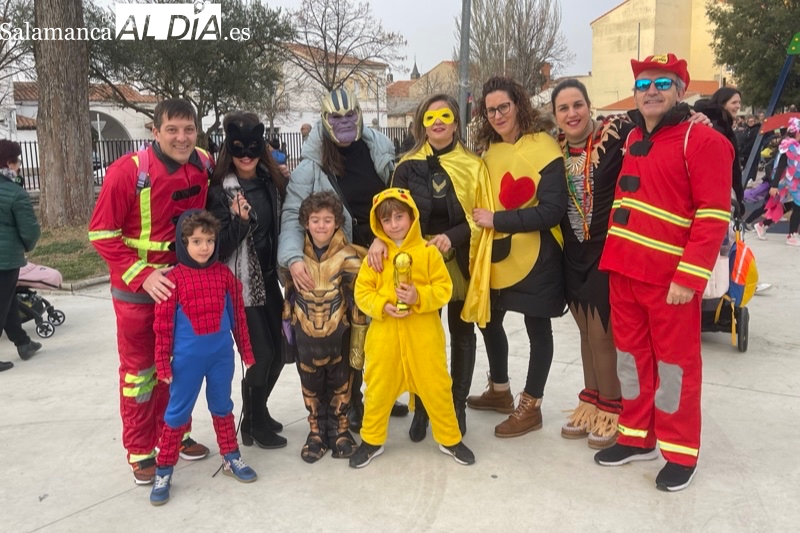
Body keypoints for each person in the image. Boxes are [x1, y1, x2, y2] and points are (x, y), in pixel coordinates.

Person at [595, 53, 733, 492]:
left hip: (670, 282)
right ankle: (637, 437)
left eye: (662, 82)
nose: (651, 90)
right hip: (623, 273)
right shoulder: (633, 134)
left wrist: (688, 278)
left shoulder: (702, 141)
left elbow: (713, 217)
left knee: (674, 367)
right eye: (643, 83)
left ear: (679, 90)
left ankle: (679, 451)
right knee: (631, 362)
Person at [89, 98, 213, 485]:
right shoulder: (128, 172)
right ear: (154, 131)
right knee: (141, 374)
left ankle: (177, 432)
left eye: (188, 129)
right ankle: (141, 450)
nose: (181, 137)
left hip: (183, 288)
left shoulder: (204, 164)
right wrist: (142, 275)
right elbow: (101, 233)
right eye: (172, 130)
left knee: (180, 368)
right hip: (137, 294)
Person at [278, 87, 406, 432]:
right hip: (345, 263)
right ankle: (352, 404)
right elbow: (292, 214)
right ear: (325, 119)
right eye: (337, 117)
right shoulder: (312, 166)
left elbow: (399, 197)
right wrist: (292, 258)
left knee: (385, 331)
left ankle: (382, 392)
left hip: (386, 254)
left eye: (350, 115)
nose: (345, 122)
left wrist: (388, 238)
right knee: (352, 334)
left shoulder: (380, 149)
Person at [386, 93, 492, 439]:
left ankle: (456, 404)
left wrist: (452, 236)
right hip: (416, 262)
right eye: (430, 118)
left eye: (444, 116)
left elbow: (480, 217)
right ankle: (423, 407)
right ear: (421, 124)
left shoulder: (474, 166)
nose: (438, 123)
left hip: (458, 259)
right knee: (421, 338)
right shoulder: (405, 166)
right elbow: (396, 216)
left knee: (462, 334)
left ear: (456, 122)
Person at [467, 76, 567, 439]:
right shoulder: (489, 152)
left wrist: (499, 220)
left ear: (518, 104)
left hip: (539, 255)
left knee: (537, 328)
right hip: (499, 256)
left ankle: (531, 405)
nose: (497, 115)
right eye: (490, 109)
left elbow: (553, 210)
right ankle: (500, 390)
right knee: (488, 320)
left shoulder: (546, 146)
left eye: (503, 107)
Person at [350, 188, 475, 468]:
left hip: (424, 338)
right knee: (378, 389)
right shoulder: (376, 256)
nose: (394, 225)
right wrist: (382, 304)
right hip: (384, 340)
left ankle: (449, 437)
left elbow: (444, 288)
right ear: (378, 224)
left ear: (412, 217)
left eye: (399, 217)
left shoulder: (428, 254)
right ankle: (371, 439)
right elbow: (362, 292)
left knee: (437, 387)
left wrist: (419, 297)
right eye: (387, 220)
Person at [150, 210, 257, 506]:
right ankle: (164, 469)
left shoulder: (224, 275)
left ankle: (230, 457)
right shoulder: (172, 280)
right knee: (177, 413)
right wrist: (162, 363)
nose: (205, 247)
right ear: (183, 243)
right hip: (186, 362)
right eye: (196, 241)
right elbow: (162, 327)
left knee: (223, 407)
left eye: (210, 240)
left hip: (221, 357)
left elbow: (238, 319)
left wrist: (246, 352)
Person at [551, 79, 629, 449]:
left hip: (605, 249)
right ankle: (592, 399)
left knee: (602, 332)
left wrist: (699, 116)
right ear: (555, 116)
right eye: (563, 108)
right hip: (572, 251)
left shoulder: (617, 133)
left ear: (589, 105)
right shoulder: (554, 149)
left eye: (577, 104)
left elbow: (659, 126)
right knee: (584, 330)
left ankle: (613, 408)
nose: (572, 113)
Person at [207, 112, 288, 449]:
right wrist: (239, 222)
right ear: (229, 147)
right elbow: (217, 246)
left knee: (282, 351)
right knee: (262, 354)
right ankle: (251, 421)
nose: (245, 155)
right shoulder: (219, 191)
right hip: (240, 285)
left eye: (252, 148)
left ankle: (259, 409)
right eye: (238, 148)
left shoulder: (271, 181)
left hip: (270, 280)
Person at [283, 191, 366, 462]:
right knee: (311, 386)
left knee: (341, 384)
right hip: (305, 337)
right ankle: (316, 432)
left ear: (337, 223)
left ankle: (340, 431)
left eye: (327, 220)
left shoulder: (349, 256)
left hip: (339, 336)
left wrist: (359, 340)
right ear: (305, 223)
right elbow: (288, 294)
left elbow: (360, 298)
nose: (321, 226)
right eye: (315, 220)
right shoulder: (295, 260)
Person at [0, 139, 41, 372]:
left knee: (7, 300)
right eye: (17, 161)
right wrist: (26, 245)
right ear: (9, 163)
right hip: (4, 260)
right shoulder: (15, 193)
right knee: (2, 303)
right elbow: (30, 230)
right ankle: (23, 343)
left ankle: (23, 343)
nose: (19, 166)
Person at [754, 118, 800, 246]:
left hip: (793, 181)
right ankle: (792, 235)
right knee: (797, 206)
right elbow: (781, 165)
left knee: (790, 205)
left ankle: (763, 225)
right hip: (788, 182)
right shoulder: (788, 145)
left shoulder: (796, 145)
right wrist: (774, 186)